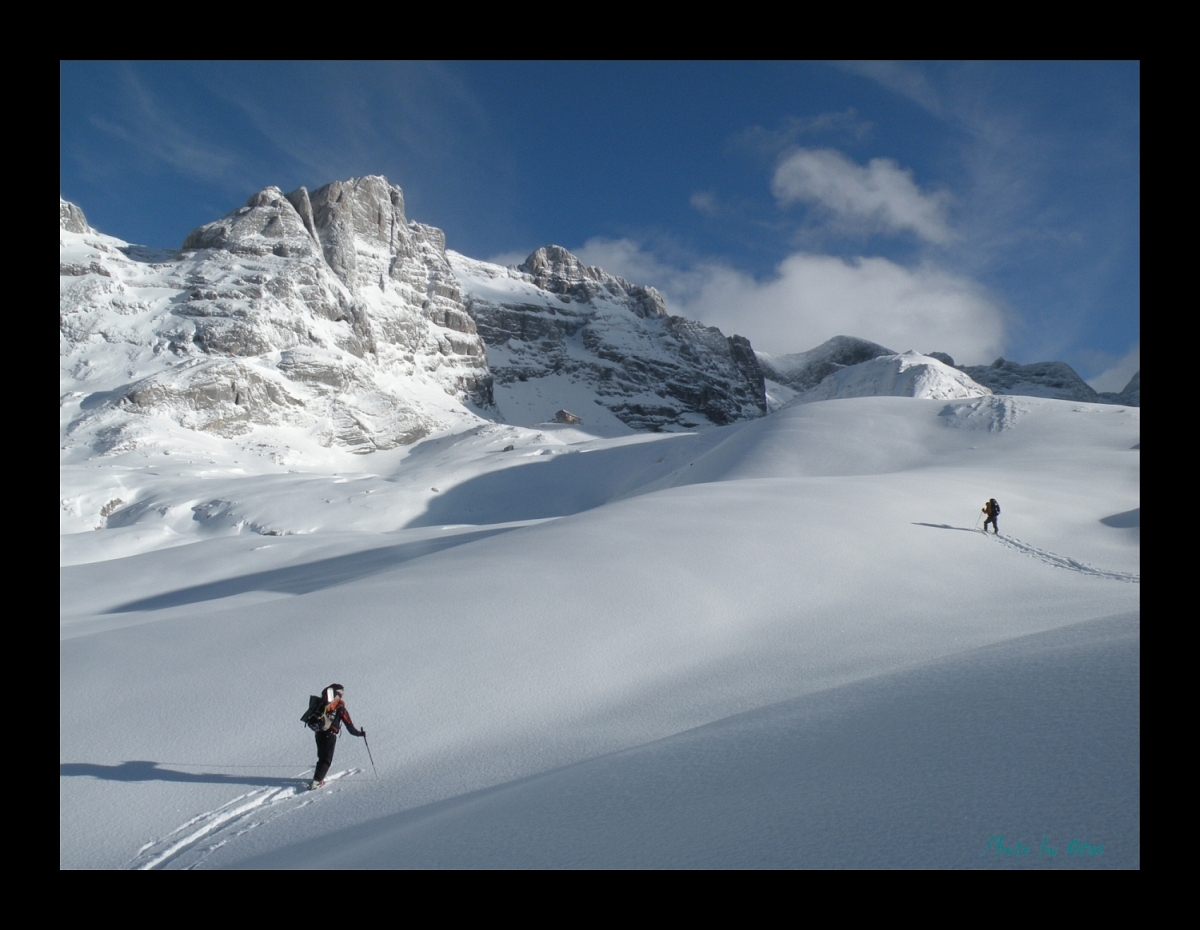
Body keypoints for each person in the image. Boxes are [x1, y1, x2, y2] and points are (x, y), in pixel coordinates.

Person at [309, 683, 365, 790]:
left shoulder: (322, 704)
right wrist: (359, 733)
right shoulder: (340, 708)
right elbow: (349, 726)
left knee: (322, 757)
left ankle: (317, 778)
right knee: (326, 760)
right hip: (330, 735)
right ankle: (316, 782)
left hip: (319, 733)